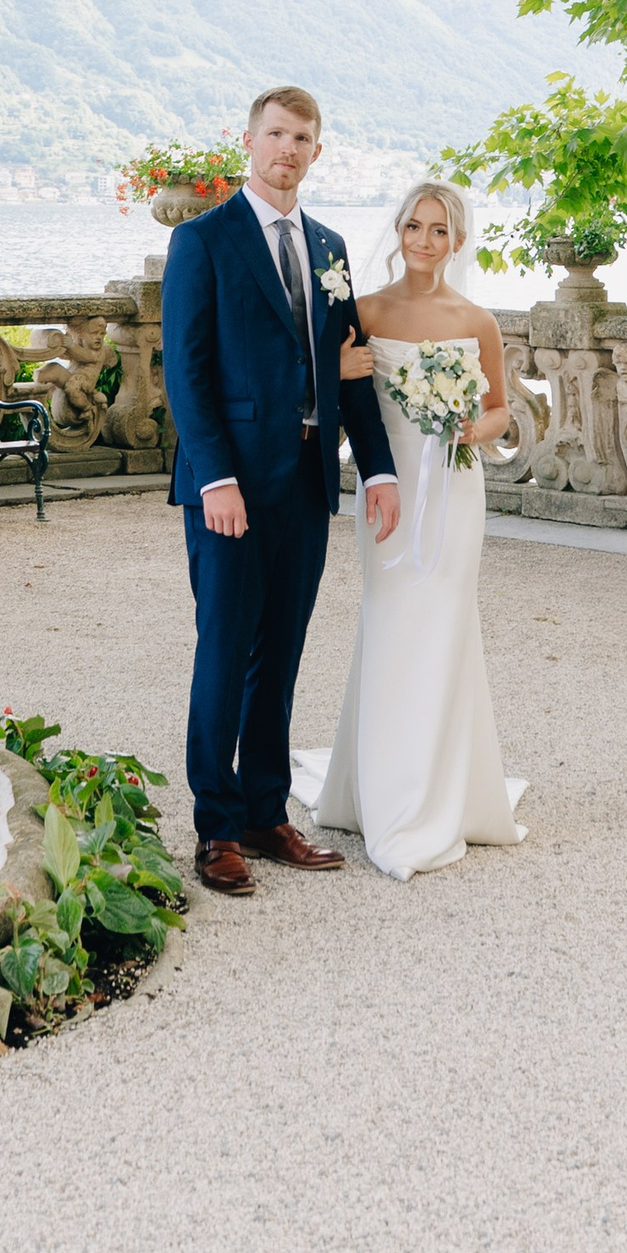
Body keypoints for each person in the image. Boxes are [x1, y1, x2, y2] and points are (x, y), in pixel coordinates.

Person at [162, 84, 401, 898]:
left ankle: (267, 811)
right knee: (225, 651)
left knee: (283, 652)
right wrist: (216, 478)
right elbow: (187, 372)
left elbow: (350, 367)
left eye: (301, 138)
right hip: (228, 486)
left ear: (316, 151)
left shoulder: (329, 247)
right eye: (275, 134)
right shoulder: (204, 240)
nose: (287, 149)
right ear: (250, 141)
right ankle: (217, 828)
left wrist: (378, 468)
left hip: (305, 482)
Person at [293, 179, 527, 881]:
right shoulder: (364, 311)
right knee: (391, 621)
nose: (424, 241)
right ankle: (384, 790)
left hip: (454, 489)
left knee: (447, 626)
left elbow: (500, 410)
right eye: (414, 227)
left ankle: (440, 792)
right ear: (398, 231)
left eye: (439, 230)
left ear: (458, 241)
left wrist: (474, 429)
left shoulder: (477, 321)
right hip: (387, 489)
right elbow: (331, 396)